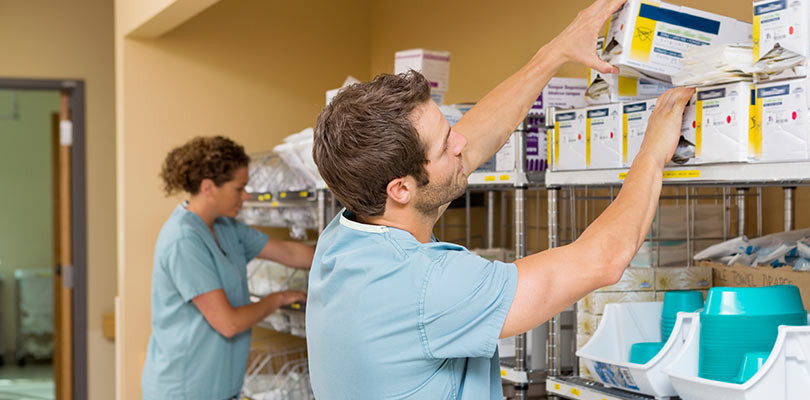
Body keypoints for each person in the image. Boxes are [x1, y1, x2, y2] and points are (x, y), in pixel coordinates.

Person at [306, 0, 696, 397]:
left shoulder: (345, 237)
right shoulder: (427, 286)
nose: (461, 142)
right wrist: (652, 151)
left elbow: (468, 145)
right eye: (445, 146)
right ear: (401, 188)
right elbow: (602, 261)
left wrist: (557, 51)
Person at [142, 136, 316, 400]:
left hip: (222, 388)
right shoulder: (183, 240)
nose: (246, 195)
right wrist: (277, 299)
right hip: (185, 390)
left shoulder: (226, 227)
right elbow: (228, 323)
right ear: (209, 187)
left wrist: (345, 254)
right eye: (239, 188)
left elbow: (288, 251)